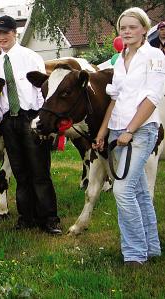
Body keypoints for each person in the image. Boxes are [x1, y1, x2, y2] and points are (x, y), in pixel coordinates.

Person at [93, 7, 164, 266]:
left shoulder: (154, 56)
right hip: (117, 131)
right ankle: (152, 247)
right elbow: (115, 99)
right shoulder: (120, 58)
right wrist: (102, 133)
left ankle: (134, 253)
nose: (127, 31)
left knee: (122, 190)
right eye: (123, 27)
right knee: (140, 192)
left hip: (141, 131)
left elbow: (152, 98)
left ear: (145, 29)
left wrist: (130, 130)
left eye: (132, 27)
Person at [0, 15, 62, 235]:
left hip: (30, 118)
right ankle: (26, 216)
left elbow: (41, 90)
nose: (1, 37)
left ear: (14, 33)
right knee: (19, 171)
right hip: (10, 122)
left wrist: (40, 119)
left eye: (5, 33)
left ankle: (49, 217)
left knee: (39, 170)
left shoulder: (31, 57)